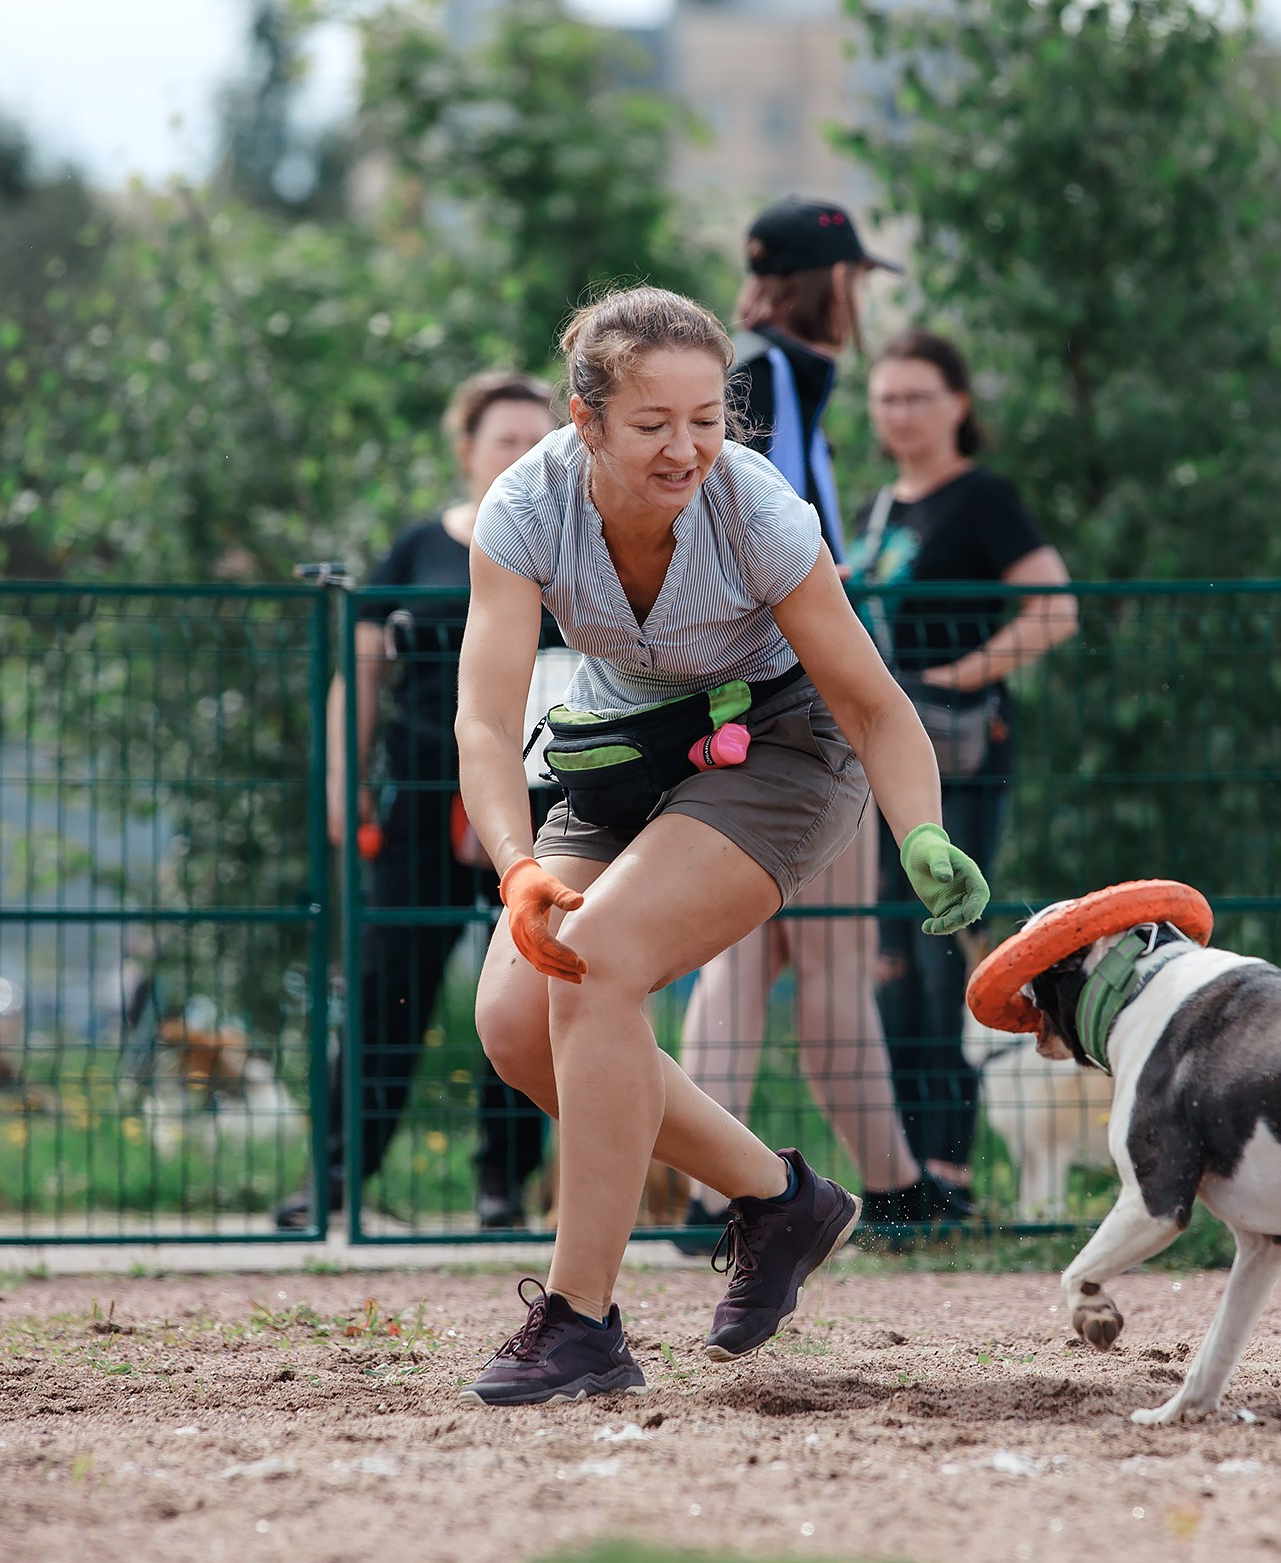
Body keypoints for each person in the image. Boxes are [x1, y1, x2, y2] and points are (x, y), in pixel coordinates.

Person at [455, 286, 987, 1404]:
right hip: (622, 751)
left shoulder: (759, 512)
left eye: (707, 419)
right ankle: (780, 1198)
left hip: (786, 748)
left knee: (595, 965)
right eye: (652, 424)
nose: (686, 448)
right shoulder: (525, 507)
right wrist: (517, 868)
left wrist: (922, 831)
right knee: (513, 1021)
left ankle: (581, 1322)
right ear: (586, 420)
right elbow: (487, 722)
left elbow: (879, 709)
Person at [680, 196, 956, 1225]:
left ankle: (718, 1198)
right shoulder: (776, 377)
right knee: (832, 951)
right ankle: (895, 1195)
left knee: (740, 960)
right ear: (834, 283)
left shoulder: (742, 370)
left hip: (728, 700)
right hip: (796, 695)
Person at [273, 371, 558, 1232]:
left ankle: (502, 1187)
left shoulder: (572, 547)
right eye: (504, 439)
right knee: (387, 987)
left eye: (538, 440)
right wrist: (342, 784)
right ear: (467, 452)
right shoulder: (417, 548)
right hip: (424, 796)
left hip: (543, 801)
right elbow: (359, 674)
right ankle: (334, 1180)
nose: (521, 455)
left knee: (527, 988)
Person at [851, 329, 1076, 1201]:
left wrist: (958, 676)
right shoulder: (879, 509)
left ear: (959, 404)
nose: (899, 413)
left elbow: (1053, 608)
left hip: (962, 751)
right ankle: (900, 1168)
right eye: (886, 398)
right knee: (884, 955)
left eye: (916, 396)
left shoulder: (981, 499)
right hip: (882, 754)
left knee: (940, 937)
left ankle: (945, 1164)